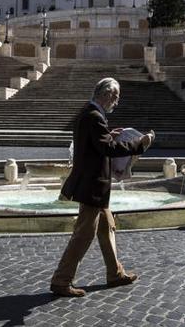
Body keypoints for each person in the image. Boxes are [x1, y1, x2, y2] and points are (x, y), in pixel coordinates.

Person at [50, 78, 155, 297]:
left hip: (93, 184)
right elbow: (107, 148)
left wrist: (110, 135)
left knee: (107, 228)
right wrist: (140, 143)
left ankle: (115, 273)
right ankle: (61, 280)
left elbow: (97, 143)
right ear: (106, 94)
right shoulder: (94, 116)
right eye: (115, 96)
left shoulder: (89, 114)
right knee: (84, 233)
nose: (117, 101)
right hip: (92, 185)